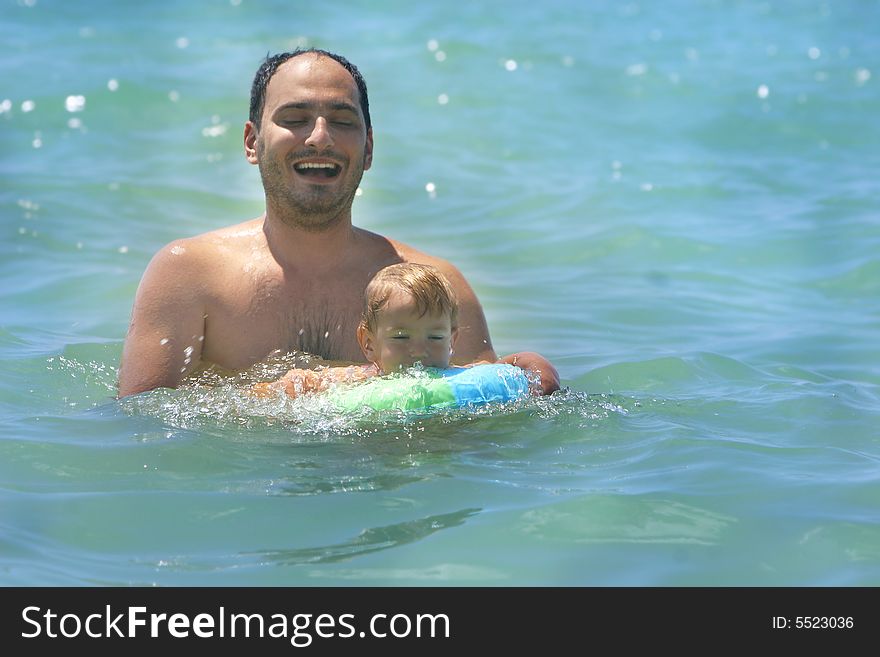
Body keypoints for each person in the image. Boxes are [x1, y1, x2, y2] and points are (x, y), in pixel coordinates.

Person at [117, 48, 559, 398]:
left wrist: (521, 371)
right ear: (252, 142)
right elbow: (143, 426)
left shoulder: (433, 286)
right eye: (294, 119)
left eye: (343, 121)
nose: (320, 137)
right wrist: (280, 398)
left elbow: (475, 416)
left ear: (368, 149)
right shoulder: (189, 276)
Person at [253, 262, 542, 399]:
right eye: (401, 337)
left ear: (453, 339)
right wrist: (293, 385)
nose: (419, 349)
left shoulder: (461, 375)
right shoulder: (357, 380)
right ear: (368, 343)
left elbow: (514, 366)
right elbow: (298, 385)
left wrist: (538, 374)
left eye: (435, 337)